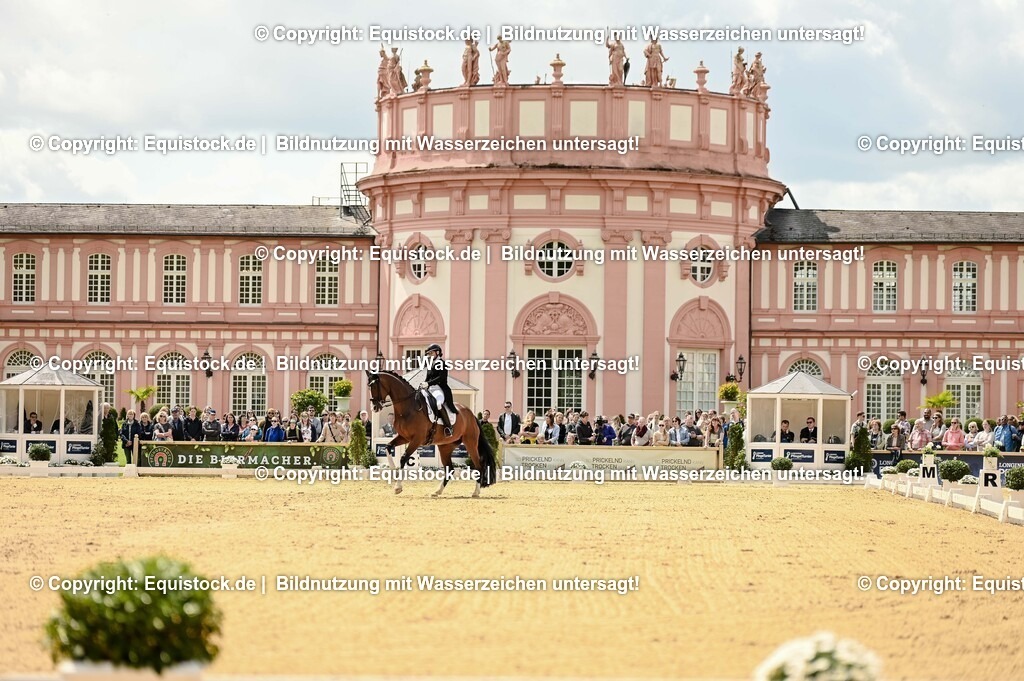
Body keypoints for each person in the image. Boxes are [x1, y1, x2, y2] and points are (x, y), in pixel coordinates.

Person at [421, 343, 456, 437]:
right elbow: (428, 378)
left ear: (437, 352)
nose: (429, 355)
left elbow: (441, 378)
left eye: (431, 353)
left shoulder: (442, 364)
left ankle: (448, 427)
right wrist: (423, 384)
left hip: (439, 389)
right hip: (429, 388)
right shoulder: (430, 364)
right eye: (428, 354)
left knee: (438, 403)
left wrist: (428, 383)